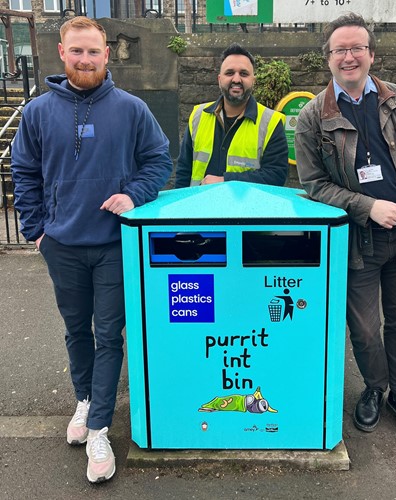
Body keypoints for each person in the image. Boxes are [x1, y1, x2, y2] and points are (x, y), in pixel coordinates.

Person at [11, 17, 172, 482]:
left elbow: (159, 160)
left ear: (107, 54)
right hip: (61, 244)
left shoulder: (132, 109)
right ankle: (84, 399)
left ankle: (99, 425)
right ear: (62, 52)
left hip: (112, 245)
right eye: (77, 51)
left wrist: (134, 195)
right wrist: (37, 231)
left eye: (94, 52)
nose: (85, 60)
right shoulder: (39, 112)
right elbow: (23, 172)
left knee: (109, 334)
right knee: (76, 329)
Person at [295, 13, 396, 446]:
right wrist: (368, 207)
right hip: (358, 240)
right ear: (327, 58)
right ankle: (374, 388)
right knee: (362, 327)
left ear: (371, 54)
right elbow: (314, 185)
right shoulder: (312, 117)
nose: (349, 56)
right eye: (339, 49)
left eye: (356, 47)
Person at [175, 42, 289, 188]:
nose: (236, 79)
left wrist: (225, 180)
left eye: (244, 73)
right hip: (201, 208)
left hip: (247, 210)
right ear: (219, 79)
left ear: (253, 81)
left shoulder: (271, 123)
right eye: (229, 73)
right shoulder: (198, 116)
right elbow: (183, 172)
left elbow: (276, 176)